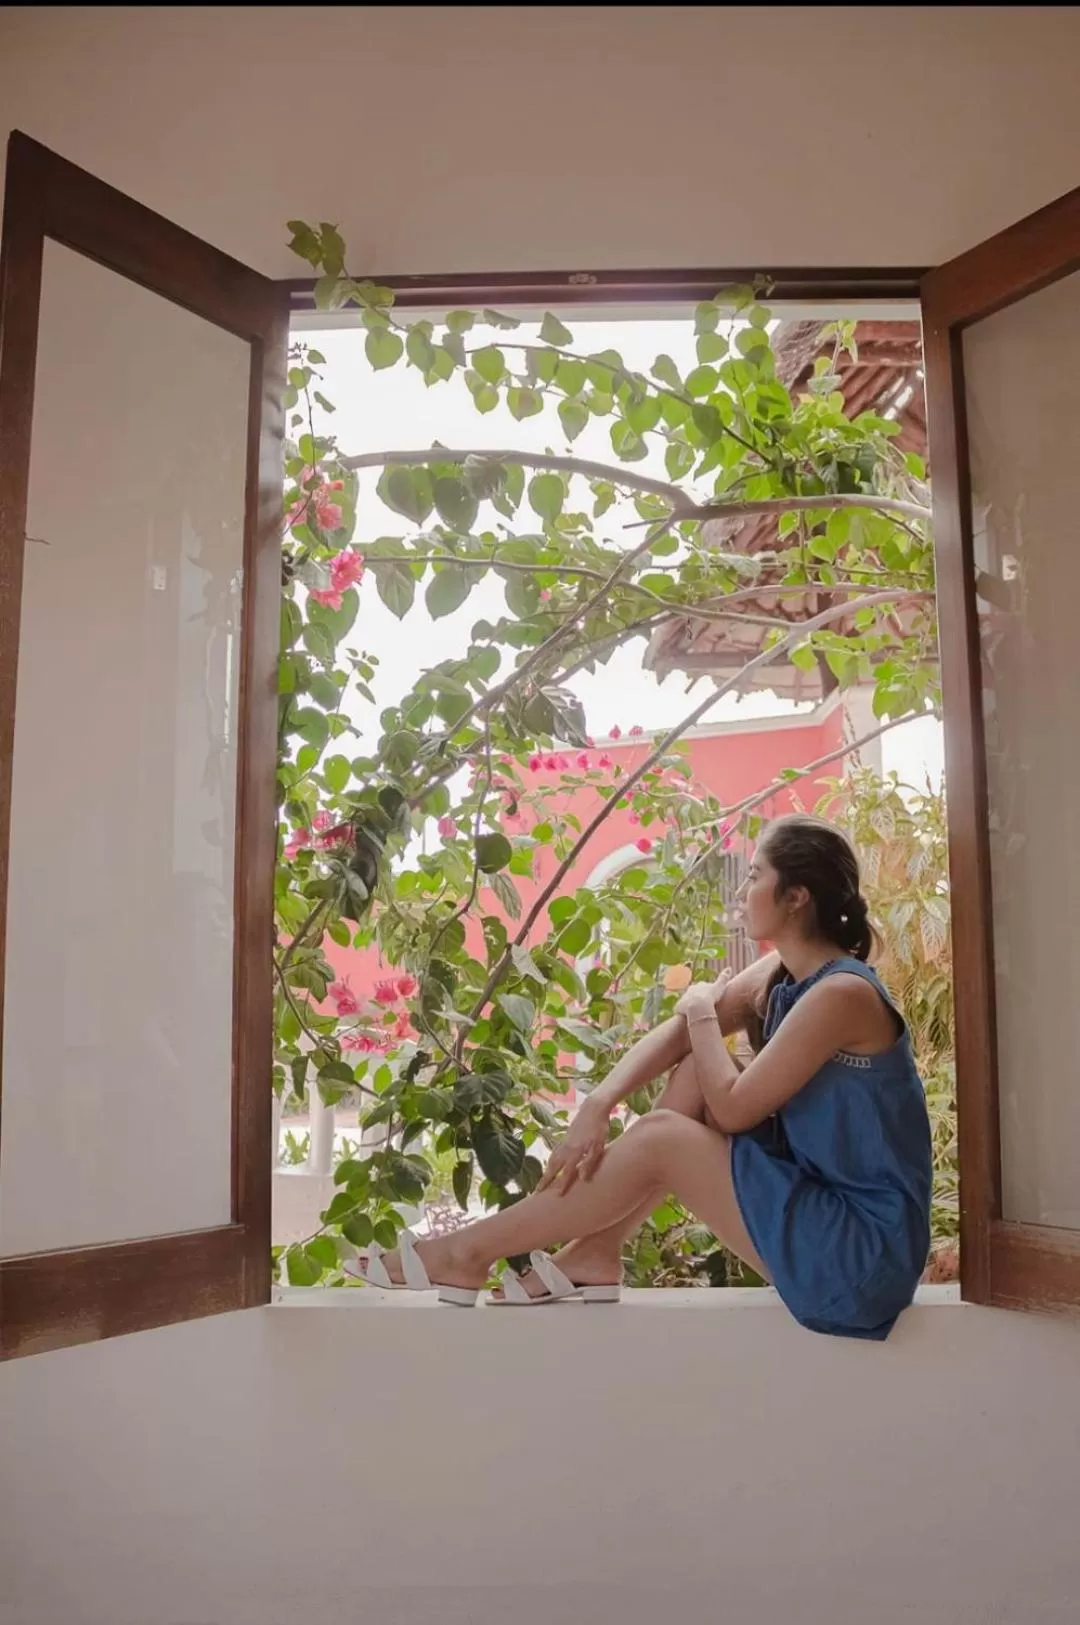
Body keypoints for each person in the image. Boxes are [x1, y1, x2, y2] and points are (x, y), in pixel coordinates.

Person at [349, 813, 934, 1340]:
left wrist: (703, 1007)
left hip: (860, 1255)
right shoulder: (786, 973)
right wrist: (599, 1103)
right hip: (819, 1211)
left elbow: (731, 1109)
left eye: (755, 875)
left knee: (663, 1134)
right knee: (688, 1076)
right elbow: (683, 1041)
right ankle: (596, 1252)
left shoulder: (842, 994)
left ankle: (465, 1251)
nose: (742, 887)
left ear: (796, 896)